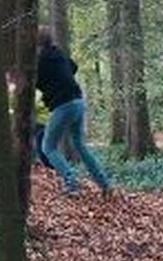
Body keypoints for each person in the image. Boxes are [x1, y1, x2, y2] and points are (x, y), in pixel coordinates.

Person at [34, 29, 113, 194]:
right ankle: (104, 183)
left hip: (63, 105)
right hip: (78, 101)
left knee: (48, 147)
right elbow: (74, 67)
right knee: (80, 145)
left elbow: (34, 82)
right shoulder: (59, 54)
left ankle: (71, 183)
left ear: (38, 44)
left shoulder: (41, 61)